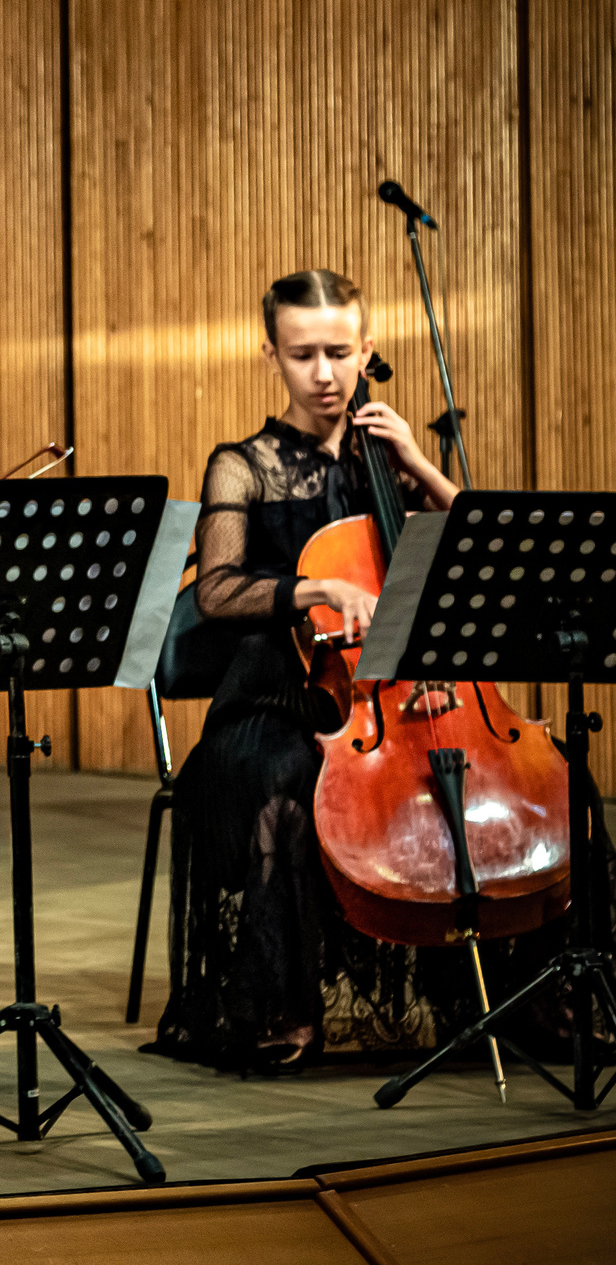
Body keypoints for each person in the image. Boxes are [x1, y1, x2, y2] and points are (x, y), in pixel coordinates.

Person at [152, 267, 491, 1072]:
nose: (325, 373)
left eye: (340, 351)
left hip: (392, 697)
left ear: (367, 349)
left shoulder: (390, 459)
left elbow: (474, 547)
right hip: (272, 694)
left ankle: (513, 993)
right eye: (303, 354)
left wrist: (422, 463)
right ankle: (281, 1007)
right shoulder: (241, 465)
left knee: (538, 782)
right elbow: (221, 588)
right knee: (284, 786)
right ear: (270, 352)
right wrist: (313, 588)